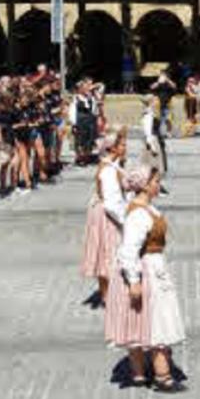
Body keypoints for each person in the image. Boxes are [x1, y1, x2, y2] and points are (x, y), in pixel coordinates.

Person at [117, 164, 186, 393]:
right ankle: (162, 376)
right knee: (158, 320)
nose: (159, 185)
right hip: (147, 269)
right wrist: (134, 281)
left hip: (151, 266)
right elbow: (128, 250)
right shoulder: (139, 214)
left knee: (139, 319)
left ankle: (138, 373)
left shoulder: (144, 208)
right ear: (145, 185)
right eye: (156, 181)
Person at [80, 128, 127, 306]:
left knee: (105, 250)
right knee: (108, 250)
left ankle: (107, 293)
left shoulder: (112, 165)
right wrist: (124, 220)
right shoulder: (108, 169)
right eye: (122, 145)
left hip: (102, 210)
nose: (125, 148)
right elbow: (111, 201)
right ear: (113, 148)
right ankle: (108, 295)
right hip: (106, 214)